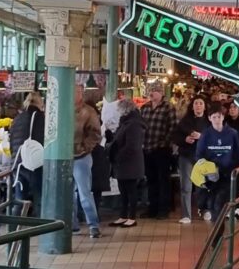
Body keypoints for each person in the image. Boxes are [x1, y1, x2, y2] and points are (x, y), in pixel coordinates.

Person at [195, 103, 239, 222]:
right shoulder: (206, 135)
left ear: (223, 117)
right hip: (211, 175)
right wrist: (207, 171)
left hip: (228, 174)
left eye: (219, 117)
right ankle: (216, 233)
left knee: (220, 201)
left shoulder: (233, 134)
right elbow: (199, 155)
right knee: (212, 203)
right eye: (214, 117)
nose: (217, 120)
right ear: (209, 118)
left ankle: (220, 231)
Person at [141, 82, 177, 219]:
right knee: (151, 180)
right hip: (147, 148)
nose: (152, 93)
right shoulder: (144, 108)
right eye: (150, 90)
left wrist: (164, 143)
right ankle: (152, 208)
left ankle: (164, 209)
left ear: (161, 93)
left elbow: (173, 127)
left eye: (155, 91)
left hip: (162, 149)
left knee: (163, 180)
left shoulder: (168, 108)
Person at [108, 98, 145, 228]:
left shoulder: (133, 124)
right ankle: (123, 215)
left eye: (118, 109)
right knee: (123, 190)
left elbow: (132, 145)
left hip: (130, 163)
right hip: (123, 163)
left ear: (124, 110)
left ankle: (132, 217)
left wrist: (118, 155)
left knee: (131, 190)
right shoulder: (126, 122)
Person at [173, 95, 209, 224]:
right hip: (186, 156)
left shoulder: (209, 121)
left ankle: (205, 209)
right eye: (196, 103)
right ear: (192, 106)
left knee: (203, 185)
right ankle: (186, 214)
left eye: (200, 103)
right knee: (186, 186)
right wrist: (185, 139)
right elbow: (175, 136)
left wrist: (201, 136)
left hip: (203, 158)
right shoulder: (184, 121)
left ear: (205, 107)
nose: (198, 106)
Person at [73, 85, 102, 239]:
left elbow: (96, 134)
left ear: (80, 94)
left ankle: (93, 224)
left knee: (84, 193)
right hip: (64, 157)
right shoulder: (60, 109)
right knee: (68, 194)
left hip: (81, 157)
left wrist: (84, 147)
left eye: (76, 91)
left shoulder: (88, 112)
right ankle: (71, 225)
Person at [9, 92, 45, 214]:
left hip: (18, 161)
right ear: (40, 102)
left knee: (19, 198)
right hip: (34, 162)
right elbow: (42, 140)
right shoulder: (39, 117)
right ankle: (39, 226)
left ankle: (14, 226)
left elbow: (11, 139)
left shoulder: (18, 118)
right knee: (39, 195)